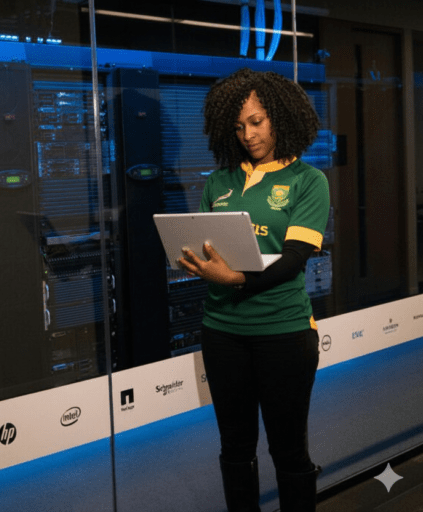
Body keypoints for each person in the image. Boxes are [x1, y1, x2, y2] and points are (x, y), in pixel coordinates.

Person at [178, 68, 329, 512]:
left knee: (289, 450)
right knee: (234, 448)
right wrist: (198, 264)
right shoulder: (218, 182)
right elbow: (205, 249)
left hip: (284, 332)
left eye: (257, 122)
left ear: (280, 117)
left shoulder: (308, 180)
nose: (248, 134)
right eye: (239, 126)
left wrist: (237, 279)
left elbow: (295, 257)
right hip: (222, 332)